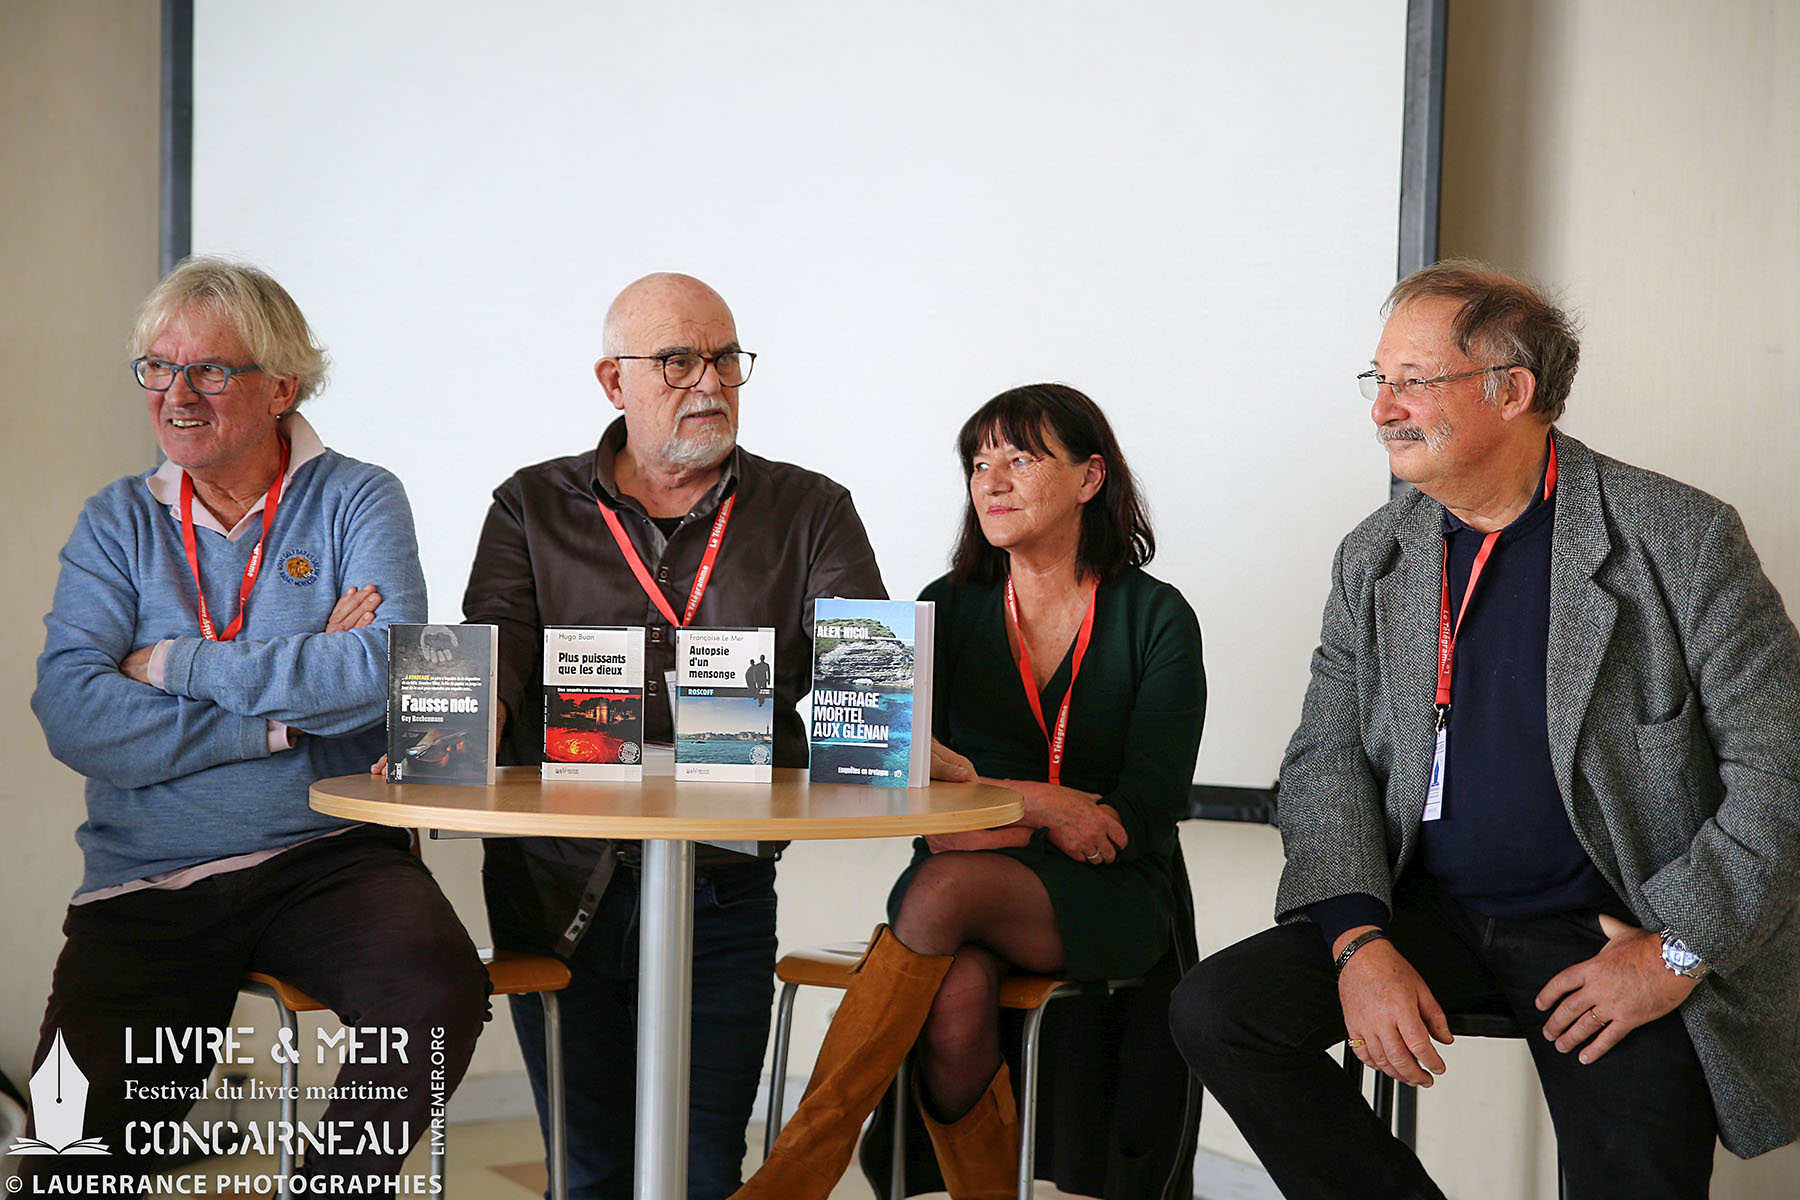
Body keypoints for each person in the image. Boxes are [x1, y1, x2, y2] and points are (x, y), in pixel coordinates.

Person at [1170, 262, 1800, 1199]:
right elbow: (1323, 764)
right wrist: (1356, 940)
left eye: (1413, 382)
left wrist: (1672, 953)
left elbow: (1781, 772)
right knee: (1220, 1012)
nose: (1383, 407)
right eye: (1376, 380)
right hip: (1431, 911)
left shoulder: (1680, 538)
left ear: (1514, 390)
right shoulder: (1375, 556)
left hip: (1614, 927)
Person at [26, 257, 489, 1191]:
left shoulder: (359, 496)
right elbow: (74, 714)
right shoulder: (116, 522)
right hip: (146, 878)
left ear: (282, 386)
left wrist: (170, 664)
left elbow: (383, 675)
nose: (177, 394)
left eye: (210, 370)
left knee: (438, 992)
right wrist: (282, 720)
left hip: (331, 856)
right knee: (67, 1159)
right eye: (158, 368)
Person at [463, 273, 885, 1198]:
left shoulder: (810, 510)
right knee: (589, 1167)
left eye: (726, 358)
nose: (710, 382)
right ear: (614, 384)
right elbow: (495, 659)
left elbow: (866, 672)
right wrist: (448, 734)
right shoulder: (529, 507)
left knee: (700, 1171)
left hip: (721, 883)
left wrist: (909, 731)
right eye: (678, 361)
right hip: (556, 878)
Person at [736, 383, 1206, 1200]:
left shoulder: (1156, 617)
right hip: (960, 880)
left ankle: (791, 1179)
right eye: (979, 462)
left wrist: (988, 800)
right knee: (955, 992)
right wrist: (1048, 807)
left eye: (1021, 458)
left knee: (946, 885)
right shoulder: (943, 608)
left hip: (1113, 895)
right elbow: (905, 787)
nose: (992, 480)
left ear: (1091, 477)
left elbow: (1139, 818)